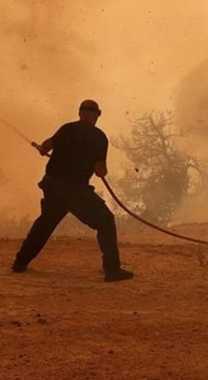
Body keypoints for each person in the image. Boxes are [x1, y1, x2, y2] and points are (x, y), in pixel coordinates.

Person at [11, 99, 134, 282]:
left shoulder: (66, 128)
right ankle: (112, 270)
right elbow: (100, 171)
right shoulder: (99, 137)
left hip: (53, 186)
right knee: (106, 222)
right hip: (76, 191)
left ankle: (20, 263)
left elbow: (46, 146)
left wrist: (42, 149)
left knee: (45, 223)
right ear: (97, 115)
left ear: (80, 113)